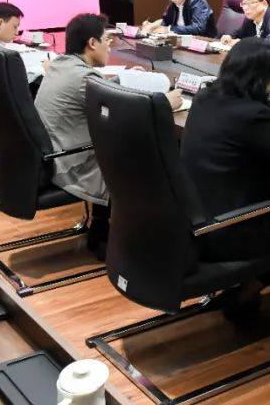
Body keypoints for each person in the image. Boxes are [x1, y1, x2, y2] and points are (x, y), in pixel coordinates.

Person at [181, 37, 270, 317]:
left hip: (189, 223)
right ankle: (247, 290)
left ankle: (245, 287)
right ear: (263, 79)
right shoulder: (252, 115)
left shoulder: (204, 98)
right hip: (225, 232)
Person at [36, 14, 183, 256]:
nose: (110, 46)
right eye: (107, 40)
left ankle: (102, 228)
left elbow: (96, 92)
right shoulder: (85, 77)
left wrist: (121, 79)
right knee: (147, 150)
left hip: (55, 156)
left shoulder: (61, 65)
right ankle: (146, 237)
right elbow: (120, 116)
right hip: (74, 165)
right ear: (92, 43)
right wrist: (164, 103)